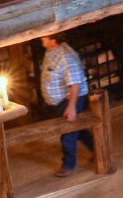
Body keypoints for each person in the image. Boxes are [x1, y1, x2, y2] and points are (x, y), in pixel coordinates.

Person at [39, 34, 92, 178]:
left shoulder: (66, 58)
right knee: (77, 130)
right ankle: (97, 149)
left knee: (68, 132)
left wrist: (71, 107)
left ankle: (68, 165)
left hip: (69, 100)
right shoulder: (51, 51)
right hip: (60, 101)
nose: (41, 39)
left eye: (45, 37)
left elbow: (75, 83)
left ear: (53, 40)